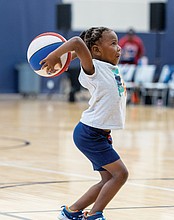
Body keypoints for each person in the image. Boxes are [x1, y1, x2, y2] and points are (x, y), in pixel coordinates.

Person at [40, 27, 129, 220]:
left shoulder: (110, 67)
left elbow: (80, 49)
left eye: (117, 42)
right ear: (96, 50)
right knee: (120, 175)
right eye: (113, 43)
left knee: (108, 179)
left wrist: (67, 58)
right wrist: (56, 55)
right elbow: (77, 43)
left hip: (100, 135)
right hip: (90, 134)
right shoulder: (94, 69)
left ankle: (70, 212)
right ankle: (95, 215)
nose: (119, 47)